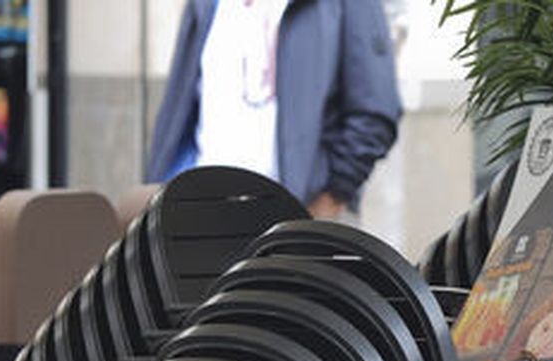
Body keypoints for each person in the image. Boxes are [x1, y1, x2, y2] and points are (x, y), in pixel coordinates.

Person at [146, 0, 402, 219]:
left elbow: (376, 108)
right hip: (200, 217)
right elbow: (180, 111)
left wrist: (329, 199)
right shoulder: (207, 4)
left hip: (296, 218)